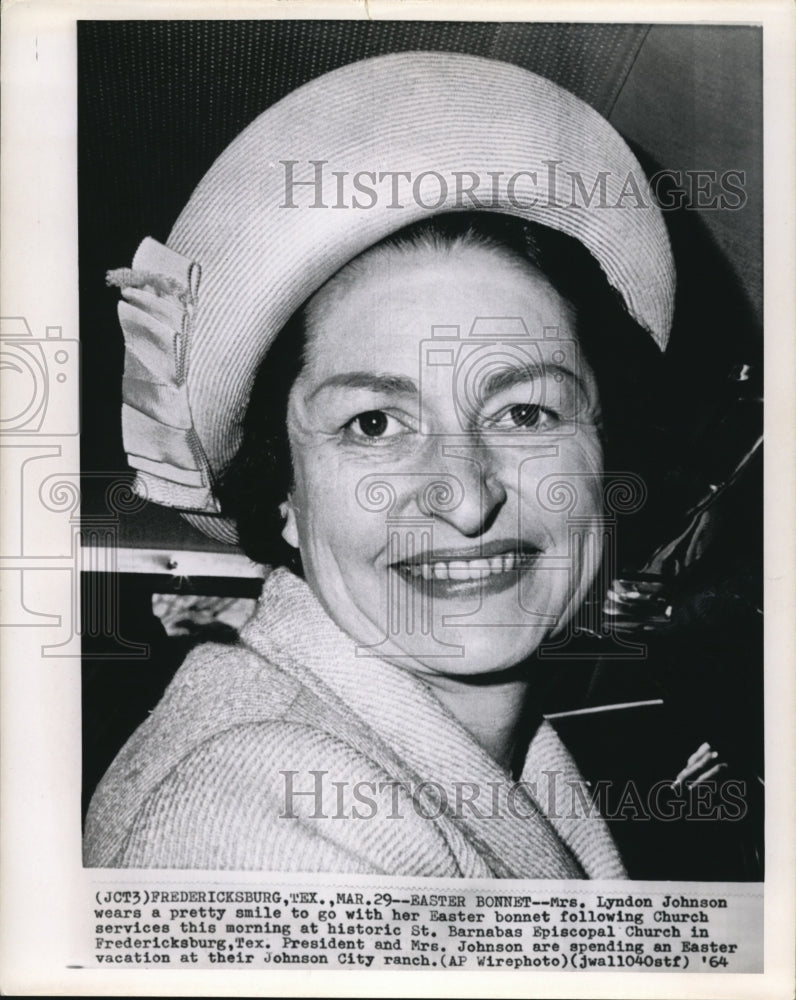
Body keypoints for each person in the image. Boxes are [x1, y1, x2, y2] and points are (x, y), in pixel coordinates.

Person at [84, 52, 678, 875]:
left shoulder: (503, 757)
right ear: (284, 491)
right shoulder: (266, 821)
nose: (466, 497)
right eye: (373, 423)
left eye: (524, 412)